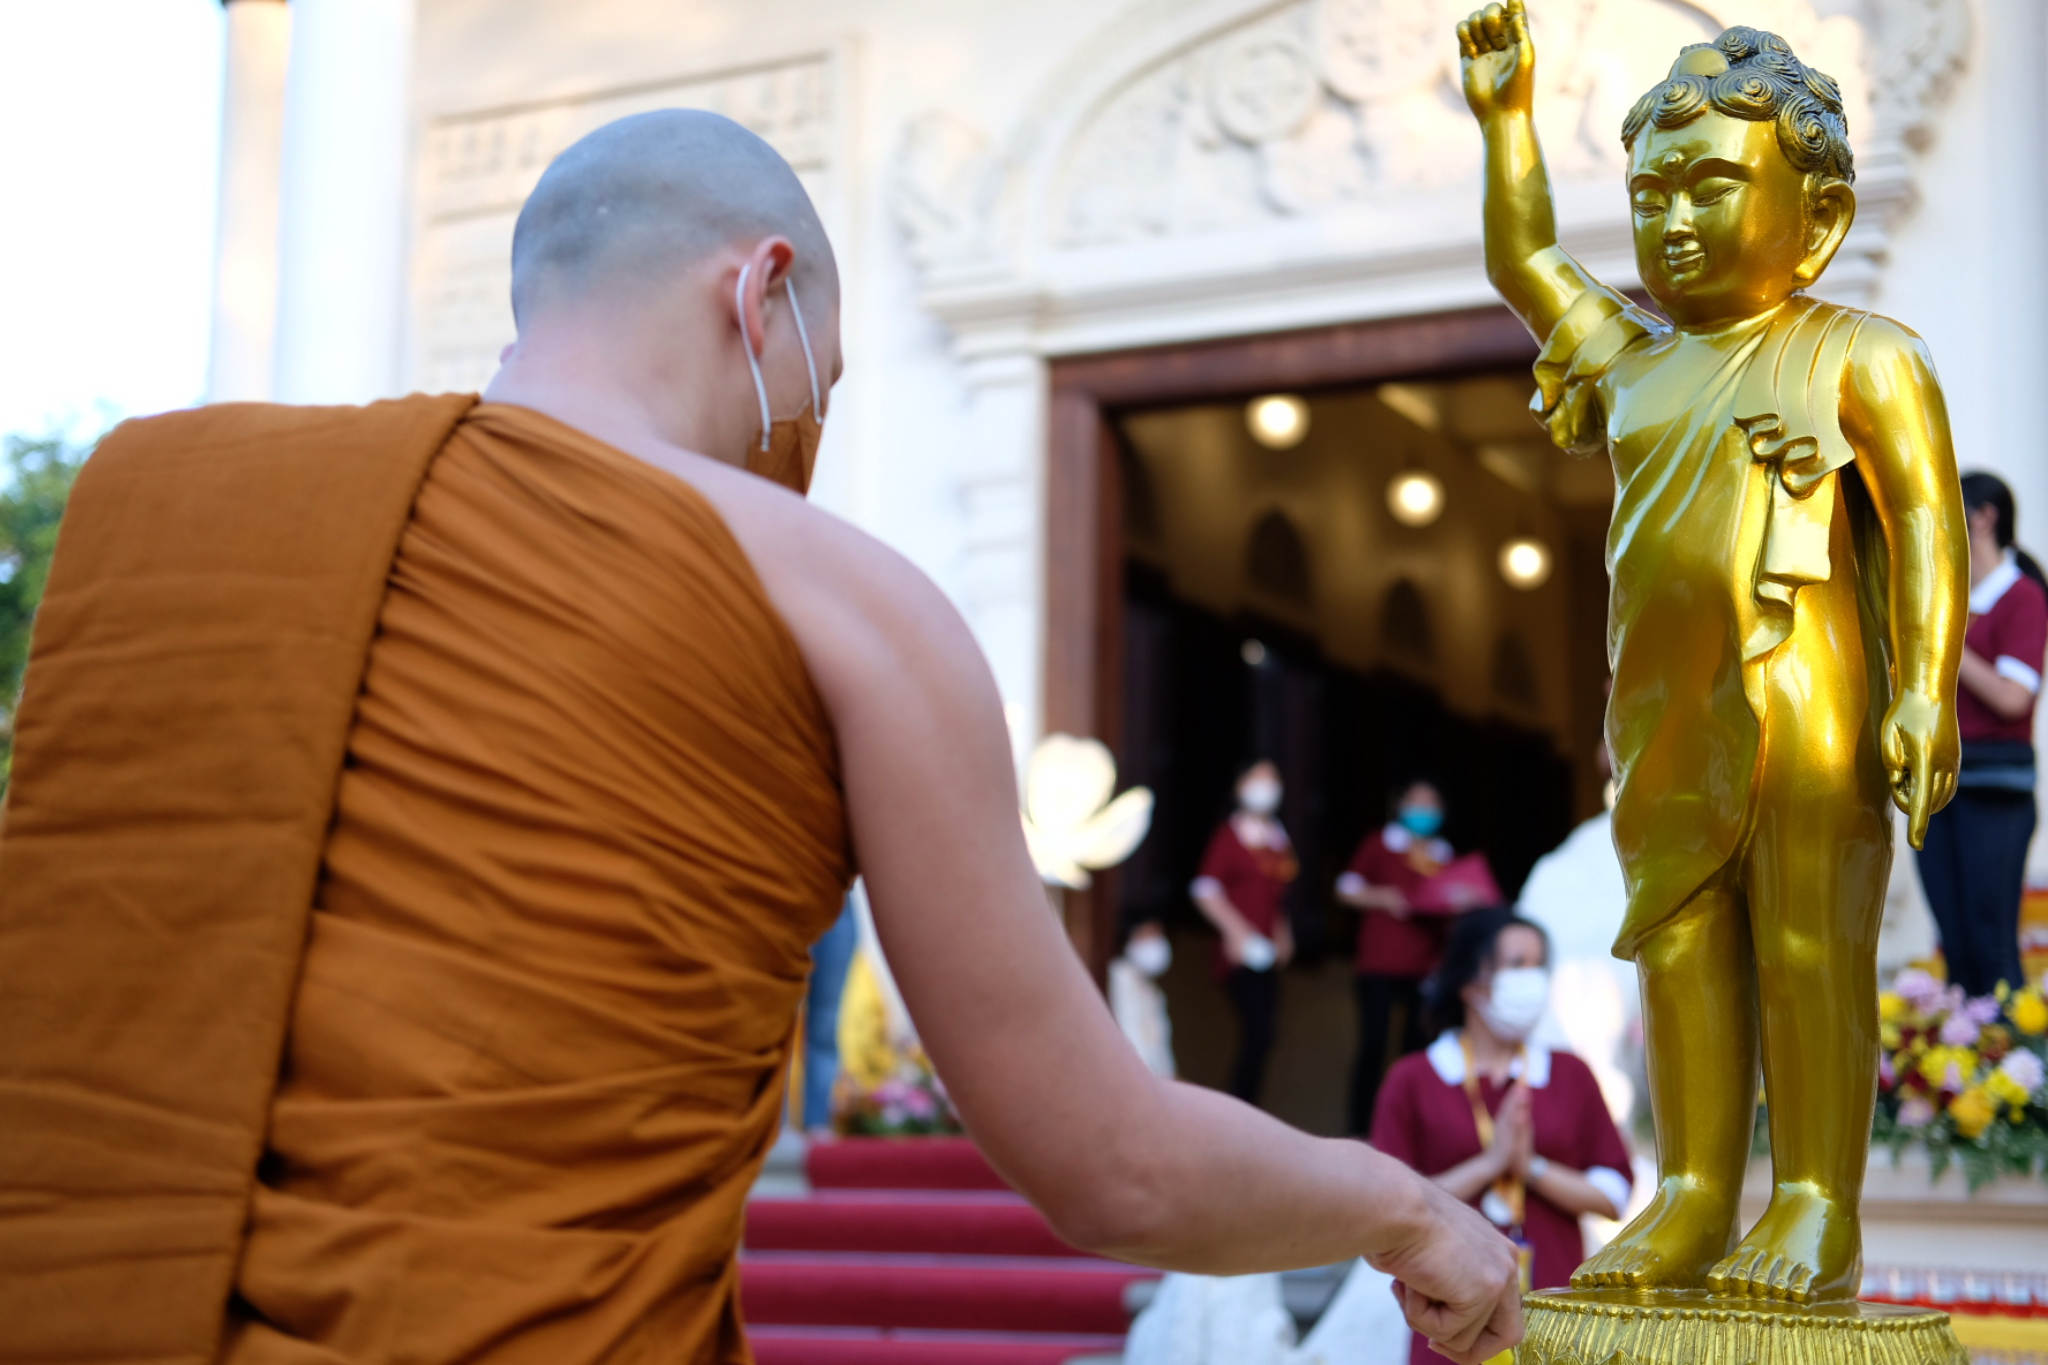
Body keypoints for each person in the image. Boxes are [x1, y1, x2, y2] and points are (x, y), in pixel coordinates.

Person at [0, 110, 1523, 1363]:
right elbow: (1106, 1161)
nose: (807, 430)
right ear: (763, 294)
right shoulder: (849, 605)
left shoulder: (196, 522)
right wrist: (1407, 1212)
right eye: (826, 381)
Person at [1460, 2, 1967, 1300]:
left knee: (1807, 945)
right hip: (1663, 711)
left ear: (1820, 218)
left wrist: (1921, 688)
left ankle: (1815, 1204)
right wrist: (1508, 119)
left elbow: (1922, 519)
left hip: (1808, 689)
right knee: (1677, 940)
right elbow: (1525, 260)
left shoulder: (1861, 354)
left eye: (1713, 188)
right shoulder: (1634, 363)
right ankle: (1690, 1194)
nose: (1674, 221)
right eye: (1651, 195)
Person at [1371, 910, 1633, 1365]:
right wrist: (1489, 1165)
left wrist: (1531, 1166)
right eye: (1517, 964)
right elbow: (1381, 1206)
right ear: (1471, 983)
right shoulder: (1413, 1078)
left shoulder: (1569, 1074)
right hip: (1449, 1322)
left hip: (1558, 1318)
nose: (1532, 979)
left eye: (1538, 965)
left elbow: (1614, 1194)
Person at [1916, 471, 2047, 996]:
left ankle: (2009, 1065)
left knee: (1991, 942)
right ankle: (1969, 1068)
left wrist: (1943, 644)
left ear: (1985, 517)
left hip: (1995, 793)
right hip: (1945, 789)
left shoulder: (2022, 596)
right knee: (1957, 943)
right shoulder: (1954, 599)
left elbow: (2013, 698)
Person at [1337, 780, 1496, 1134]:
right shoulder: (1380, 843)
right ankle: (1360, 1129)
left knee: (1415, 1052)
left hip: (1425, 969)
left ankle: (1409, 1130)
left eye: (1431, 804)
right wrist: (1385, 897)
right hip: (1378, 964)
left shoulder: (1444, 856)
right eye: (1416, 802)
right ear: (1400, 805)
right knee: (1373, 1045)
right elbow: (1346, 889)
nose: (1423, 811)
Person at [1191, 760, 1299, 1104]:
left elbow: (1277, 894)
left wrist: (1283, 932)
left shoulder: (1278, 838)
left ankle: (1248, 1108)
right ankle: (1238, 1110)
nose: (1266, 786)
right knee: (1258, 1032)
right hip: (1241, 953)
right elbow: (1206, 889)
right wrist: (1237, 933)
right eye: (1258, 778)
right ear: (1240, 786)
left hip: (1268, 952)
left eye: (1272, 779)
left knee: (1267, 1035)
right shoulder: (1231, 834)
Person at [801, 893, 862, 1135]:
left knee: (826, 1028)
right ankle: (773, 1129)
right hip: (784, 902)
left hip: (838, 908)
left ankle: (817, 1124)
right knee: (776, 1025)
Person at [1109, 916, 1178, 1079]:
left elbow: (1160, 1049)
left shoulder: (1154, 993)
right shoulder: (1116, 976)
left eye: (1159, 934)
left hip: (1152, 1083)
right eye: (1150, 933)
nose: (1156, 940)